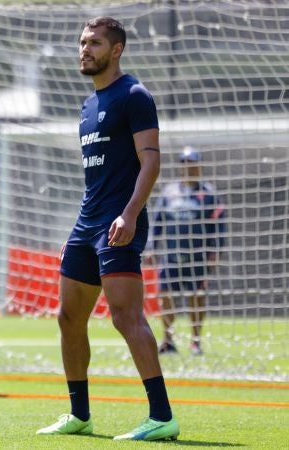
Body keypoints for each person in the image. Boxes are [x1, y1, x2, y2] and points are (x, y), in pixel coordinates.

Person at [36, 17, 179, 441]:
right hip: (87, 223)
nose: (84, 49)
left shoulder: (134, 95)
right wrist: (80, 224)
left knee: (126, 317)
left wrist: (131, 214)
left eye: (94, 43)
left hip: (121, 221)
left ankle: (161, 416)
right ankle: (80, 415)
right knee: (68, 317)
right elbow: (96, 179)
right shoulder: (87, 105)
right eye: (82, 42)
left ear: (115, 50)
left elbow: (150, 161)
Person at [153, 146, 226, 356]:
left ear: (199, 165)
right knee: (165, 295)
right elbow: (157, 222)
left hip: (197, 257)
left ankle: (196, 342)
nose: (187, 167)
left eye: (191, 163)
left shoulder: (209, 195)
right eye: (184, 163)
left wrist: (216, 252)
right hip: (172, 256)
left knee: (197, 296)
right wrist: (151, 247)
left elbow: (219, 226)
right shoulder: (169, 193)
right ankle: (168, 341)